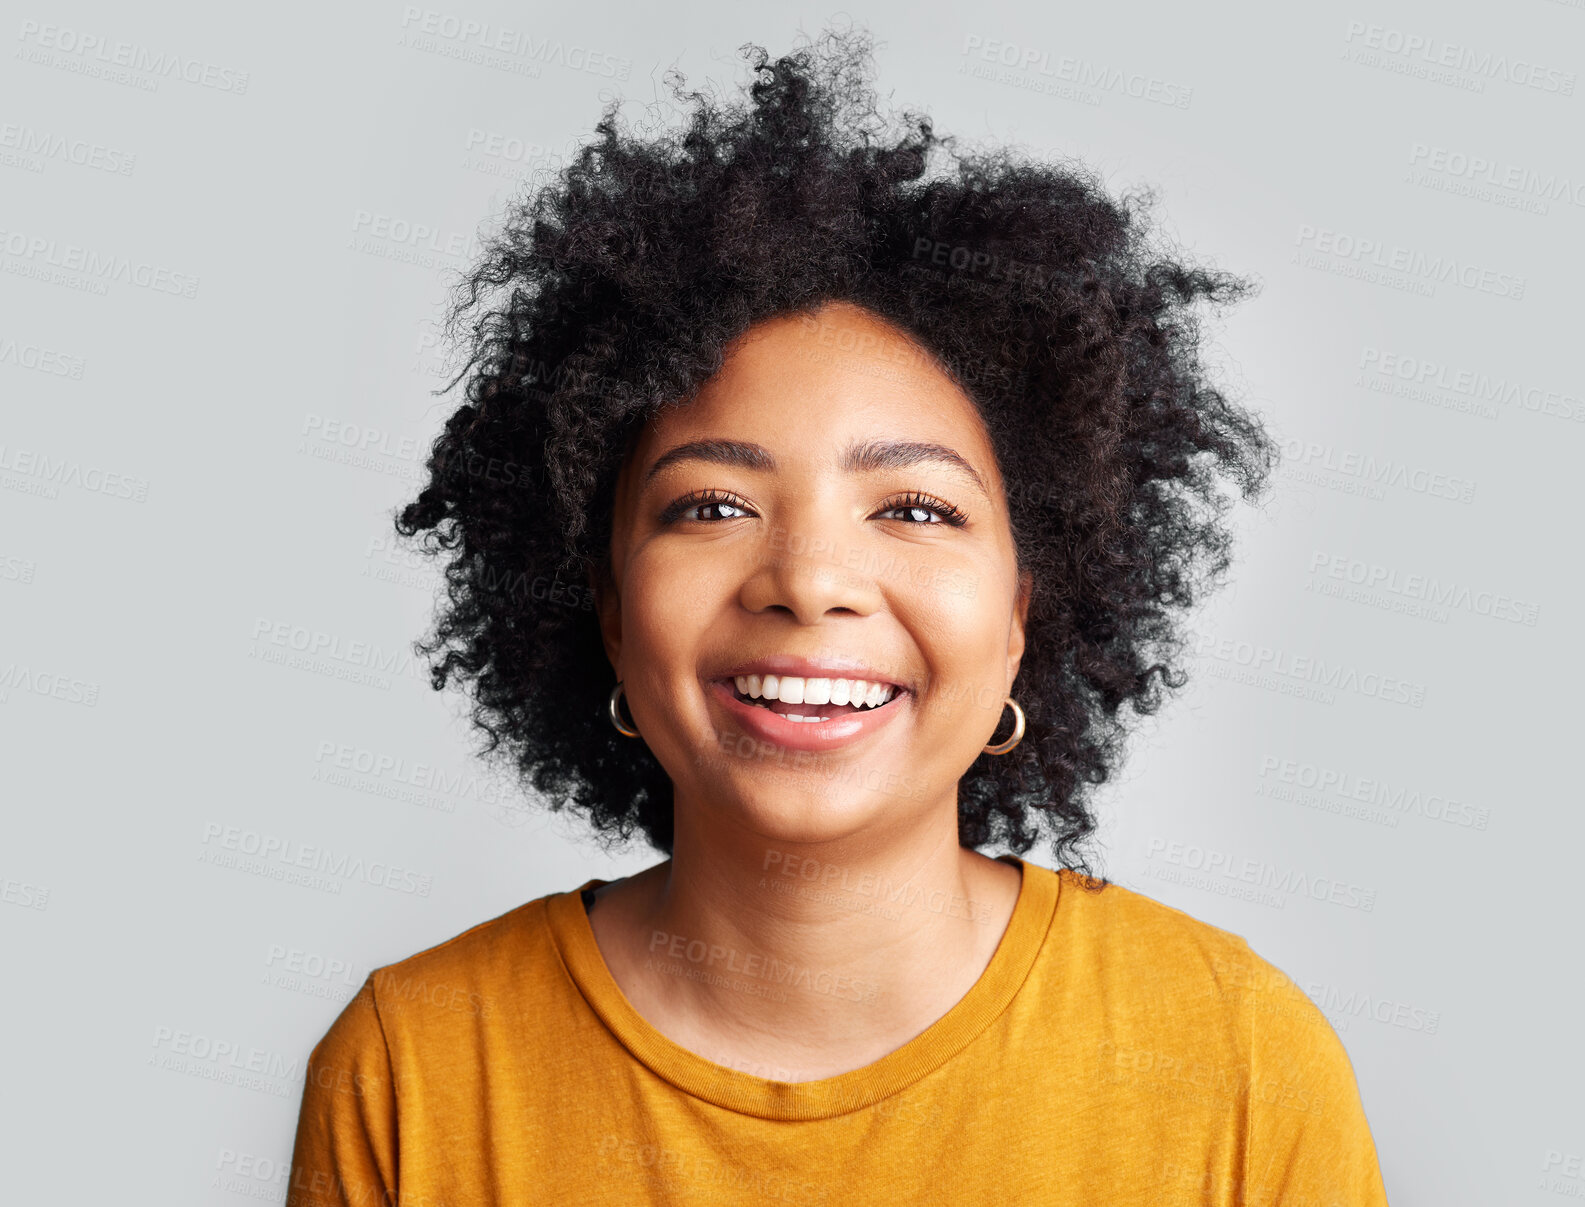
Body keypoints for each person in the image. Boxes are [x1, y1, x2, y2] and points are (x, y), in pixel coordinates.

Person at [284, 26, 1388, 1206]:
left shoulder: (1237, 1061)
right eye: (711, 503)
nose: (808, 580)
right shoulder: (417, 1069)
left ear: (1023, 608)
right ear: (604, 604)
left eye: (914, 507)